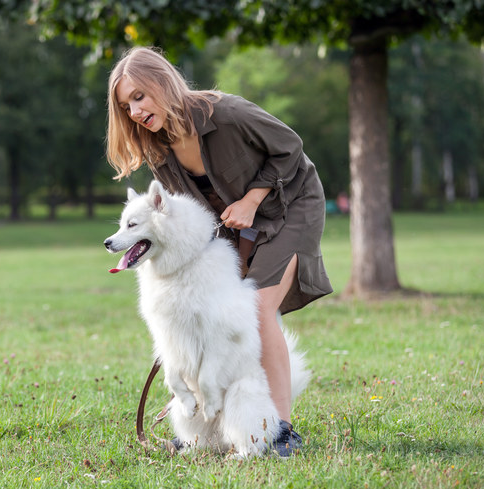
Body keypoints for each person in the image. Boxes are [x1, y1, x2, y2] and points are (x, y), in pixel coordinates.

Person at [106, 46, 333, 456]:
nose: (135, 111)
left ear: (162, 82)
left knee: (258, 308)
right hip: (233, 224)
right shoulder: (159, 150)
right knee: (217, 314)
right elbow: (189, 214)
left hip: (290, 205)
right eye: (126, 105)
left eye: (139, 96)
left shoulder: (226, 113)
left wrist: (252, 199)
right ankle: (200, 423)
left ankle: (279, 431)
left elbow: (290, 147)